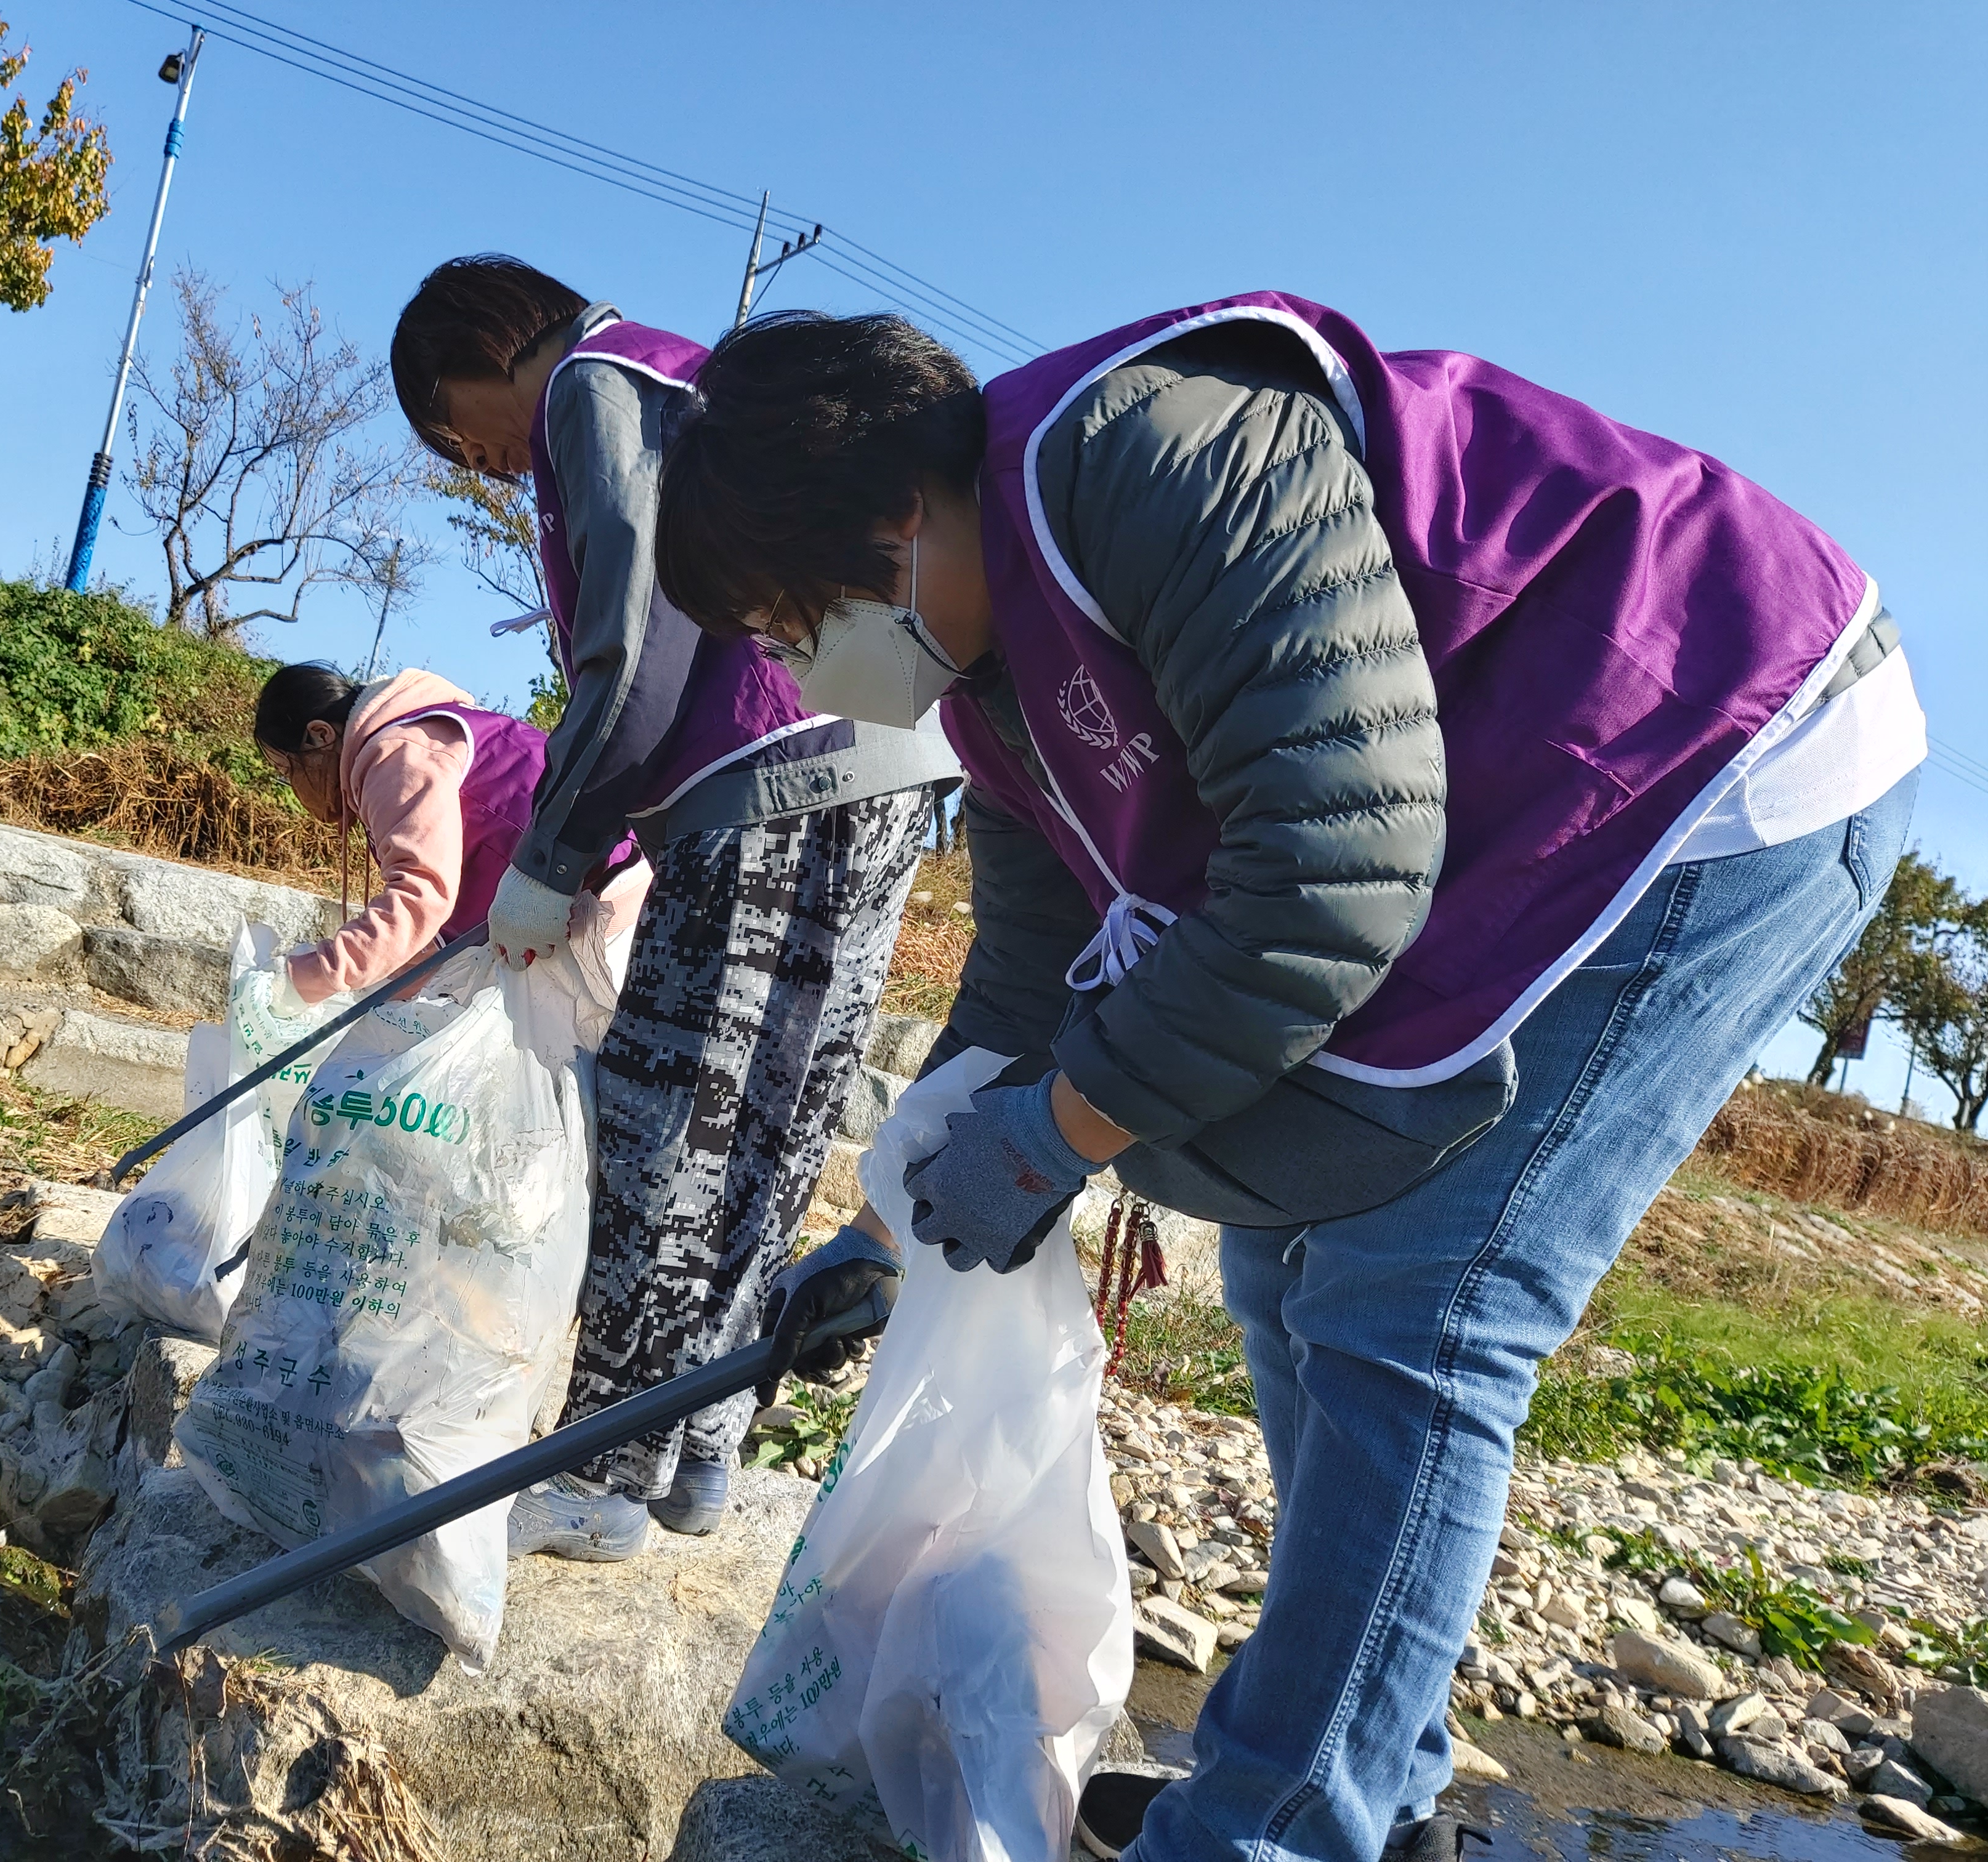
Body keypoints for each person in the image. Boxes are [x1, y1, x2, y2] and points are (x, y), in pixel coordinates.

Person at [653, 296, 1926, 1862]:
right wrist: (891, 1223)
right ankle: (1356, 1772)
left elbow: (1333, 868)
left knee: (1419, 1298)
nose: (798, 659)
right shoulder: (991, 698)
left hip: (1714, 745)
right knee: (1278, 1253)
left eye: (793, 615)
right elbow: (1031, 984)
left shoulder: (1145, 456)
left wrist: (1058, 1139)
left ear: (892, 516)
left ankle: (1277, 1827)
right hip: (1504, 801)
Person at [388, 257, 961, 1557]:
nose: (480, 461)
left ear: (465, 367)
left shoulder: (597, 386)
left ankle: (599, 1475)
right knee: (775, 1111)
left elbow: (635, 652)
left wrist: (559, 848)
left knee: (673, 1118)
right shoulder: (679, 371)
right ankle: (699, 1450)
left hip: (760, 772)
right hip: (881, 761)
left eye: (456, 434)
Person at [251, 660, 644, 999]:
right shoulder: (421, 728)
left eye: (288, 770)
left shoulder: (398, 754)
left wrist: (301, 981)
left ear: (320, 735)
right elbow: (445, 904)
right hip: (594, 896)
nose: (295, 787)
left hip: (600, 912)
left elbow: (419, 896)